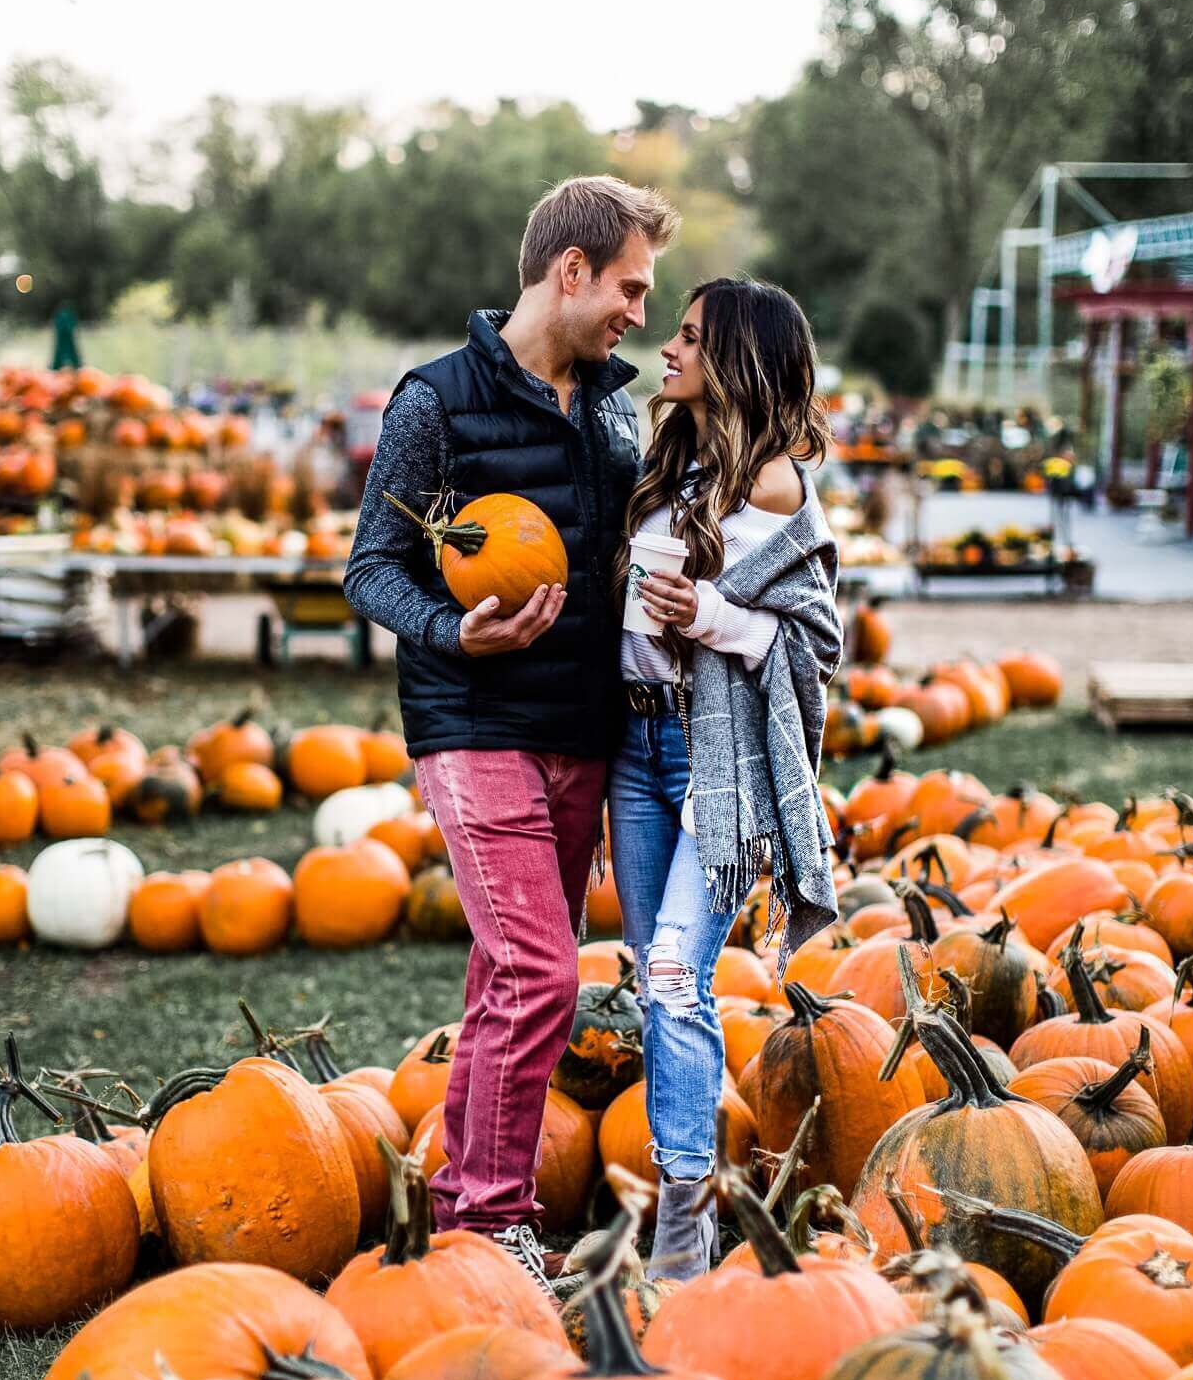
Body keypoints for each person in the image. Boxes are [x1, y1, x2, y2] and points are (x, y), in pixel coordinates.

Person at [343, 174, 680, 1286]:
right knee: (542, 970)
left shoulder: (615, 410)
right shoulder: (433, 403)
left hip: (585, 729)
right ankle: (492, 1226)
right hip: (473, 721)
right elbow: (369, 568)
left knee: (509, 975)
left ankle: (461, 1218)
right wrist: (451, 631)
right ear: (570, 271)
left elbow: (632, 553)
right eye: (629, 287)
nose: (638, 311)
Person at [608, 278, 843, 1281]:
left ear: (737, 359)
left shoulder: (777, 484)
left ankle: (681, 1222)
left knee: (671, 976)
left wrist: (703, 614)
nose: (668, 347)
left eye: (689, 336)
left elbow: (812, 640)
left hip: (717, 766)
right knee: (657, 980)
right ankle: (686, 1195)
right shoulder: (674, 462)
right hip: (633, 747)